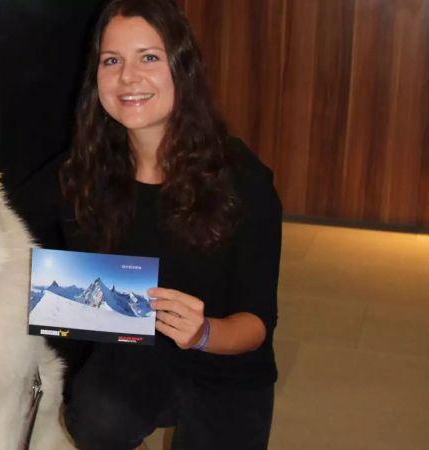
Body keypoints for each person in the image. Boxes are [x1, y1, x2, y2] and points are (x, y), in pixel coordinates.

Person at [43, 0, 282, 449]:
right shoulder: (82, 172)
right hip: (136, 356)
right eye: (112, 61)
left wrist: (203, 331)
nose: (128, 77)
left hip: (226, 364)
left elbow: (256, 324)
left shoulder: (243, 179)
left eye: (148, 57)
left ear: (182, 68)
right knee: (97, 414)